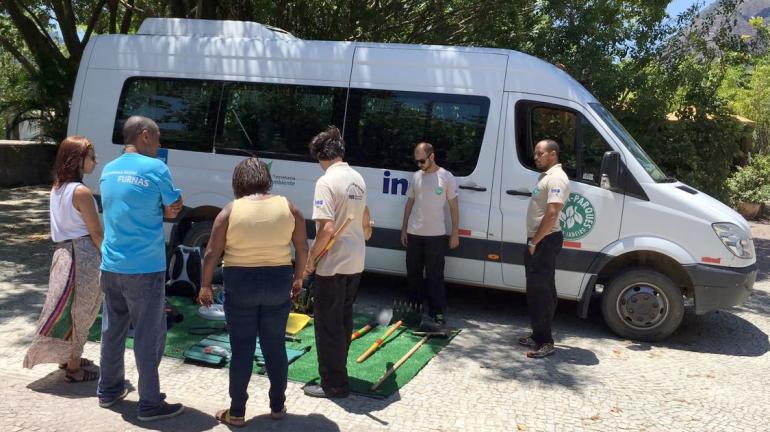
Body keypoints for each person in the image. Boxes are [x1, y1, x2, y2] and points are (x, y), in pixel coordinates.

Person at [197, 158, 308, 427]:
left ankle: (236, 412)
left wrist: (205, 285)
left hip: (241, 283)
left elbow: (212, 253)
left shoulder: (229, 211)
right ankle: (278, 406)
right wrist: (298, 278)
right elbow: (302, 247)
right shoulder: (289, 207)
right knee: (274, 347)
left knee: (242, 349)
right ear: (266, 180)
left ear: (238, 182)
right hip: (278, 281)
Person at [96, 116, 185, 421]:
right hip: (144, 267)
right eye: (158, 138)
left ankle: (108, 391)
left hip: (110, 265)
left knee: (112, 330)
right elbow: (176, 205)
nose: (160, 144)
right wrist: (165, 208)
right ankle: (150, 403)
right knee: (149, 335)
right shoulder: (156, 168)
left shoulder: (108, 169)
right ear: (145, 135)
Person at [23, 136, 103, 383]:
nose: (95, 161)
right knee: (83, 310)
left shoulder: (57, 188)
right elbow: (96, 233)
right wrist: (111, 260)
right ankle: (75, 367)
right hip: (83, 255)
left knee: (65, 309)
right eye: (91, 156)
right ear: (78, 159)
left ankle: (68, 356)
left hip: (62, 255)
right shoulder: (81, 192)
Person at [303, 126, 372, 398]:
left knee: (328, 325)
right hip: (356, 258)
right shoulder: (357, 177)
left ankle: (333, 384)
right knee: (343, 320)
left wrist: (310, 260)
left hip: (333, 262)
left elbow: (327, 229)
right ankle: (339, 374)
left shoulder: (326, 181)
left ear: (322, 156)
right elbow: (367, 220)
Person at [518, 139, 570, 358]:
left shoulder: (557, 178)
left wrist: (534, 242)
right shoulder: (548, 177)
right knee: (537, 289)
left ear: (553, 154)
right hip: (540, 239)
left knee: (542, 292)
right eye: (535, 153)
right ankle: (538, 334)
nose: (536, 157)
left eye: (540, 153)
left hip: (545, 240)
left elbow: (551, 214)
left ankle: (546, 342)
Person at [400, 142, 459, 331]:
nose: (419, 164)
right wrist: (404, 229)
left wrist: (455, 233)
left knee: (435, 277)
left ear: (432, 156)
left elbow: (453, 207)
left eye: (422, 160)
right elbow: (410, 202)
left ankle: (437, 312)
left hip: (436, 236)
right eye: (416, 161)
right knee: (413, 275)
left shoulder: (446, 177)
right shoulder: (416, 176)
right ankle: (414, 310)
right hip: (414, 234)